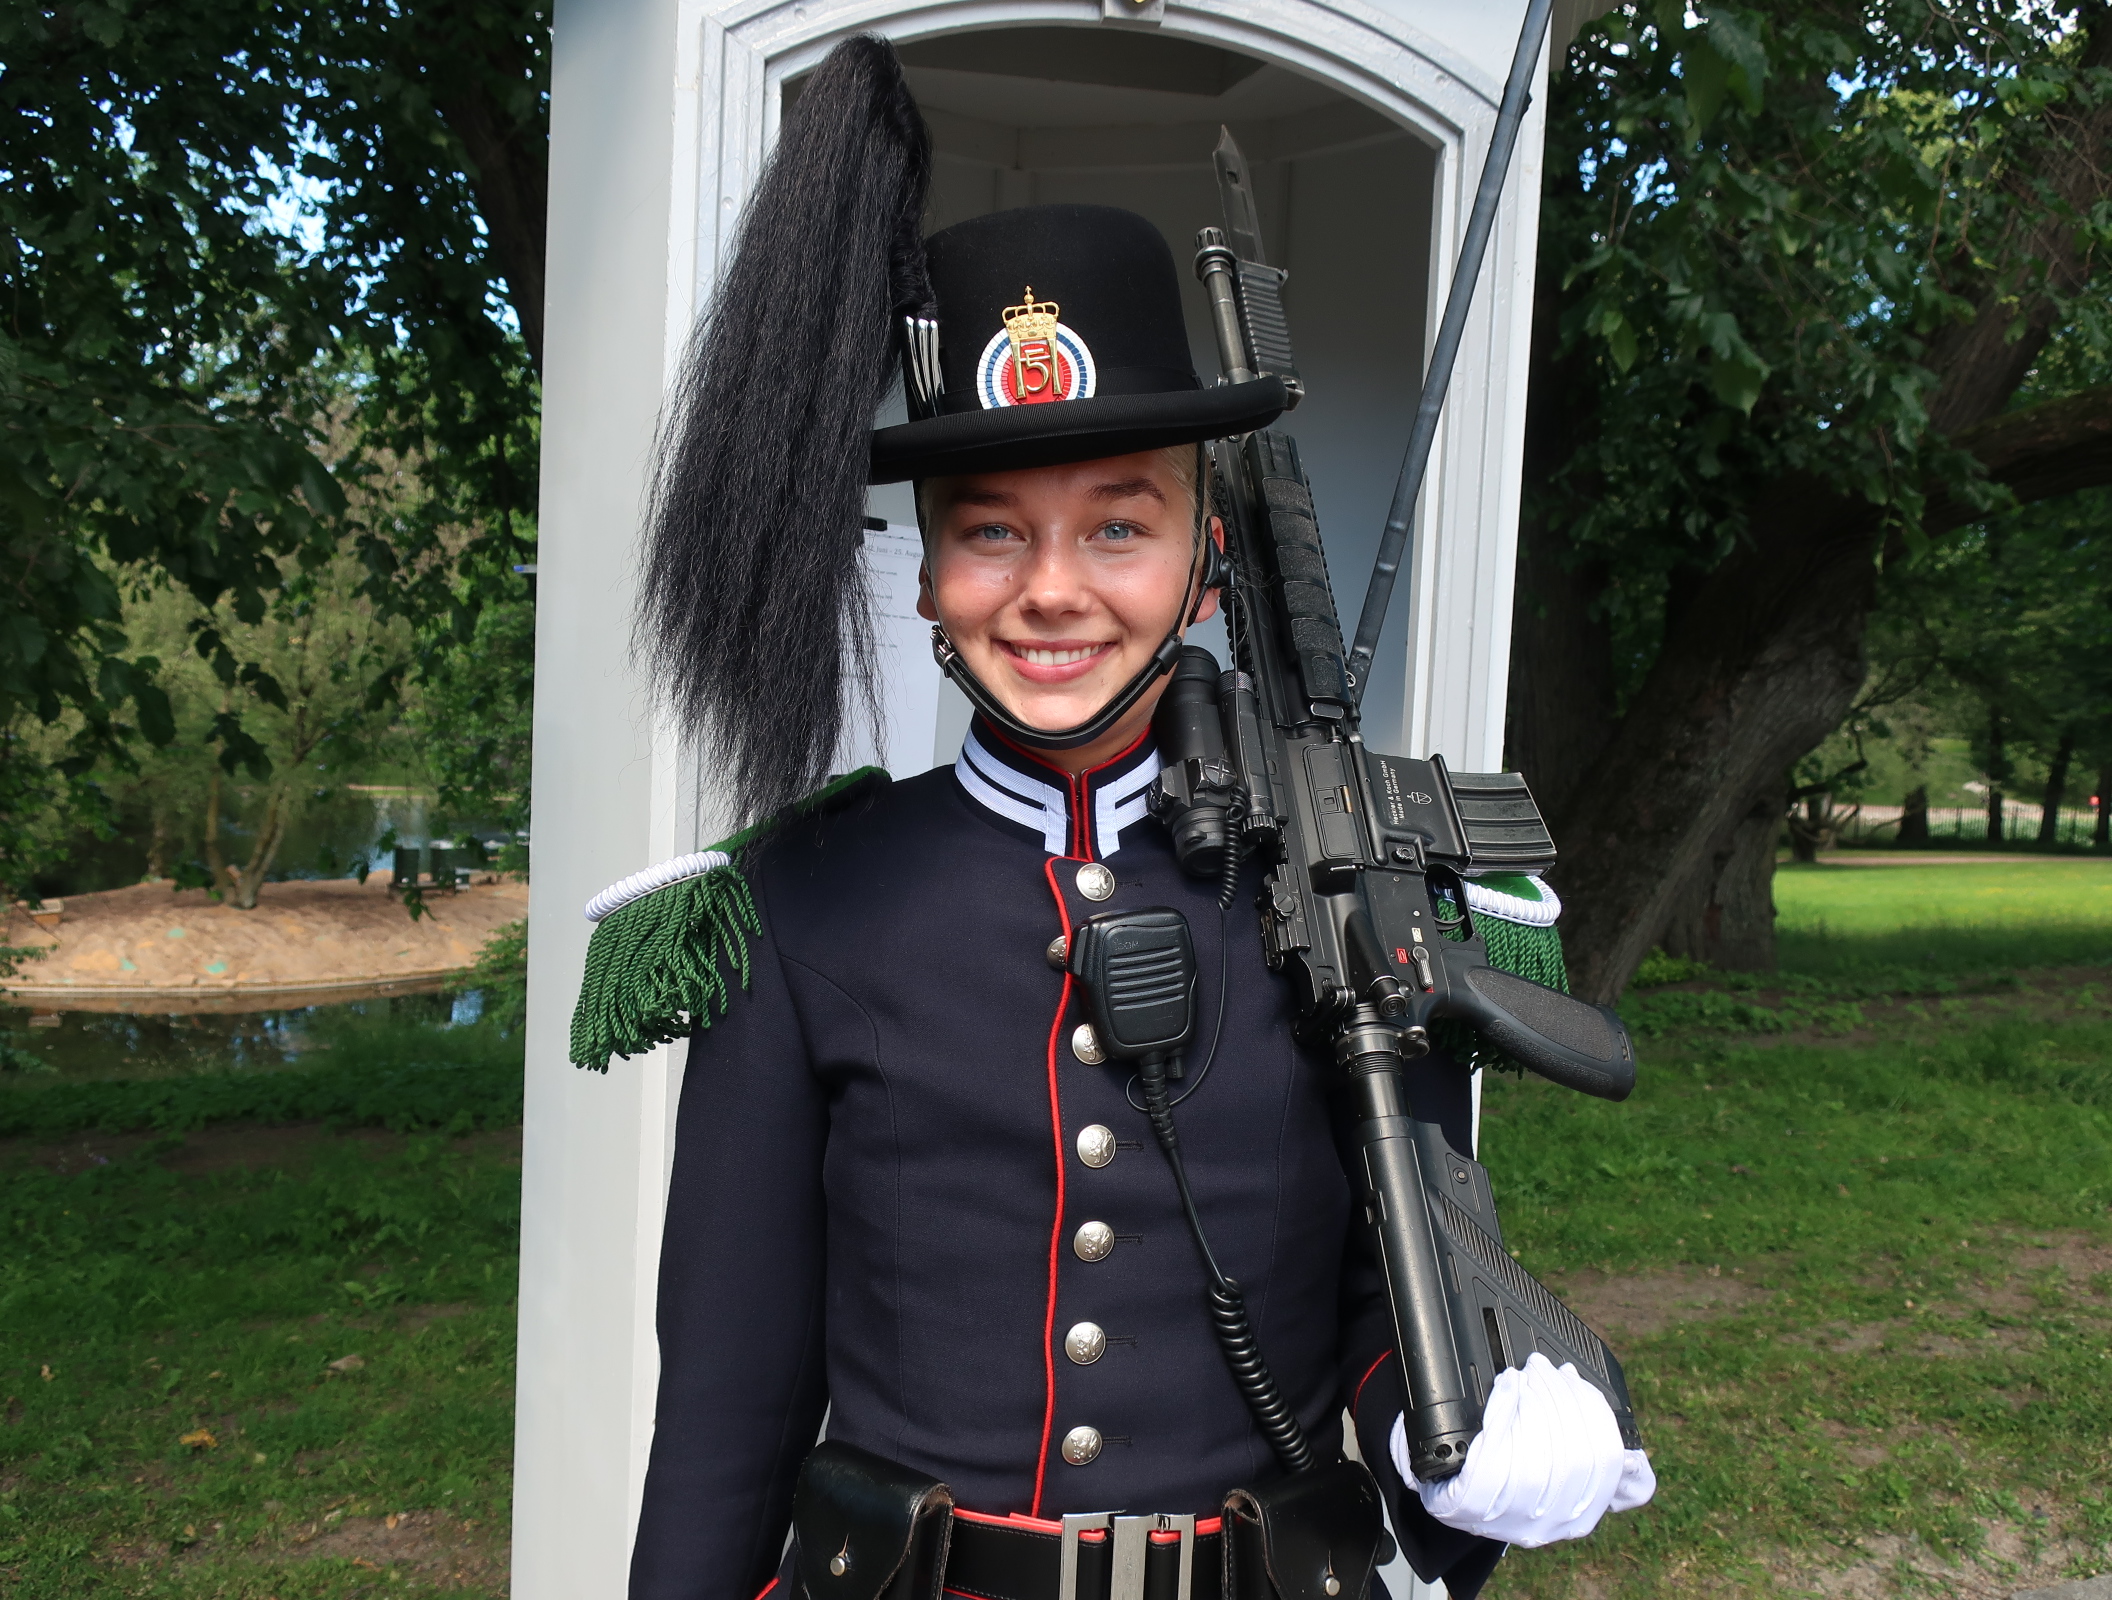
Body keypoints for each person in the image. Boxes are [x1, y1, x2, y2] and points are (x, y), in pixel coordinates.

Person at [573, 37, 1653, 1600]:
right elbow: (727, 1415)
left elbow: (1396, 1290)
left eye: (1119, 526)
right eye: (991, 533)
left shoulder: (1345, 873)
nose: (1053, 589)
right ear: (930, 577)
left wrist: (1460, 1457)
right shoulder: (804, 903)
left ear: (1205, 560)